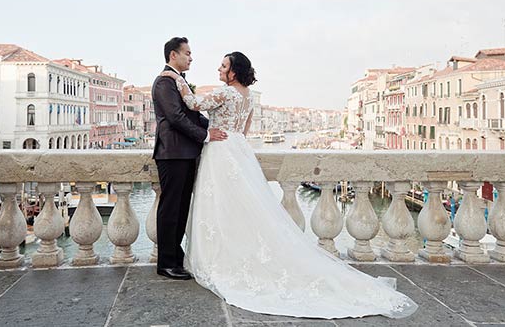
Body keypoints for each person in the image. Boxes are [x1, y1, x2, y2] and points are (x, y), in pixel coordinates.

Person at [159, 51, 417, 319]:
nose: (219, 69)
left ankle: (220, 259)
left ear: (233, 72)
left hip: (221, 149)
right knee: (244, 207)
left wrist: (175, 78)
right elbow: (244, 130)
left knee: (223, 207)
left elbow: (192, 104)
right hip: (238, 148)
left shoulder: (225, 93)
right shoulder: (247, 97)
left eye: (223, 66)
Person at [151, 37, 228, 280]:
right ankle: (166, 263)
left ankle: (175, 255)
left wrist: (219, 128)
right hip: (172, 152)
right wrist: (206, 135)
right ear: (173, 55)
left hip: (184, 152)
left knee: (181, 207)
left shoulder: (179, 80)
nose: (191, 57)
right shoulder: (165, 82)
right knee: (171, 207)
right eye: (187, 53)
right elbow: (175, 117)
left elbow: (192, 116)